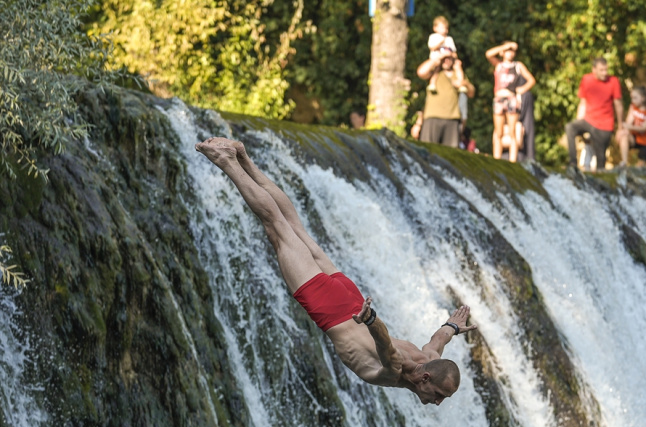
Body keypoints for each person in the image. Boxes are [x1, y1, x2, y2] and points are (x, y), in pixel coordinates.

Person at [194, 137, 477, 405]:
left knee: (293, 226)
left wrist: (452, 326)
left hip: (351, 298)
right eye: (439, 394)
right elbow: (385, 346)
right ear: (425, 378)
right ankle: (227, 161)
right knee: (277, 228)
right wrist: (371, 320)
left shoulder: (428, 356)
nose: (436, 402)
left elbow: (439, 339)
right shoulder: (396, 372)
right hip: (337, 312)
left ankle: (243, 156)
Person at [565, 57, 623, 172]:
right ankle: (573, 163)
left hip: (604, 125)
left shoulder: (613, 81)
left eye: (606, 70)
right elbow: (583, 103)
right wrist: (579, 124)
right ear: (594, 70)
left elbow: (618, 105)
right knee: (570, 127)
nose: (605, 73)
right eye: (601, 70)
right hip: (588, 121)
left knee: (600, 162)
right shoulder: (586, 80)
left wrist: (620, 127)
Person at [485, 41, 536, 162]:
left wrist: (522, 89)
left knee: (513, 132)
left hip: (511, 99)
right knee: (498, 132)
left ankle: (513, 161)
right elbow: (488, 54)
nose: (510, 53)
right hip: (499, 99)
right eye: (508, 50)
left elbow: (531, 80)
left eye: (512, 50)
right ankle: (496, 160)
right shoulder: (499, 65)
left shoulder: (518, 66)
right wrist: (504, 46)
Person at [416, 50, 474, 147]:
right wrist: (439, 57)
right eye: (444, 59)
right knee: (428, 150)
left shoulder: (458, 74)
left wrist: (464, 83)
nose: (446, 61)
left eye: (449, 59)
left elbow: (471, 93)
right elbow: (421, 72)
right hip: (432, 118)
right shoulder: (435, 73)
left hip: (452, 120)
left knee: (449, 154)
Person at [616, 86, 646, 167]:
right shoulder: (633, 107)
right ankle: (624, 162)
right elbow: (629, 121)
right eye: (632, 98)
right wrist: (624, 130)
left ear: (643, 98)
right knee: (624, 137)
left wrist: (629, 127)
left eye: (635, 98)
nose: (633, 100)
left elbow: (643, 128)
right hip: (635, 138)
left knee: (641, 165)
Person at [426, 16, 457, 93]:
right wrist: (440, 43)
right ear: (435, 28)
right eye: (442, 28)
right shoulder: (433, 37)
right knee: (436, 69)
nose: (445, 30)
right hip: (436, 59)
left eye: (446, 28)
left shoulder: (449, 39)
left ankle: (460, 82)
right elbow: (432, 48)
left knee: (458, 66)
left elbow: (454, 52)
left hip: (448, 60)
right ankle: (432, 83)